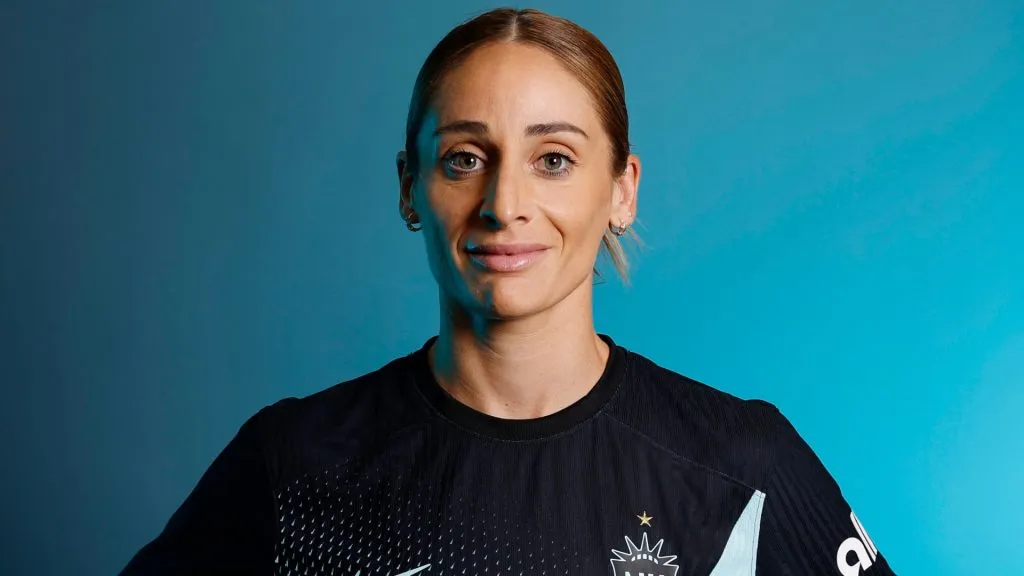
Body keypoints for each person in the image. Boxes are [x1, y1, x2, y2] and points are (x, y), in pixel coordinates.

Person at [120, 7, 895, 576]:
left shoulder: (740, 468)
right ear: (410, 188)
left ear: (622, 190)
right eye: (464, 158)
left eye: (553, 159)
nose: (505, 203)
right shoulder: (293, 468)